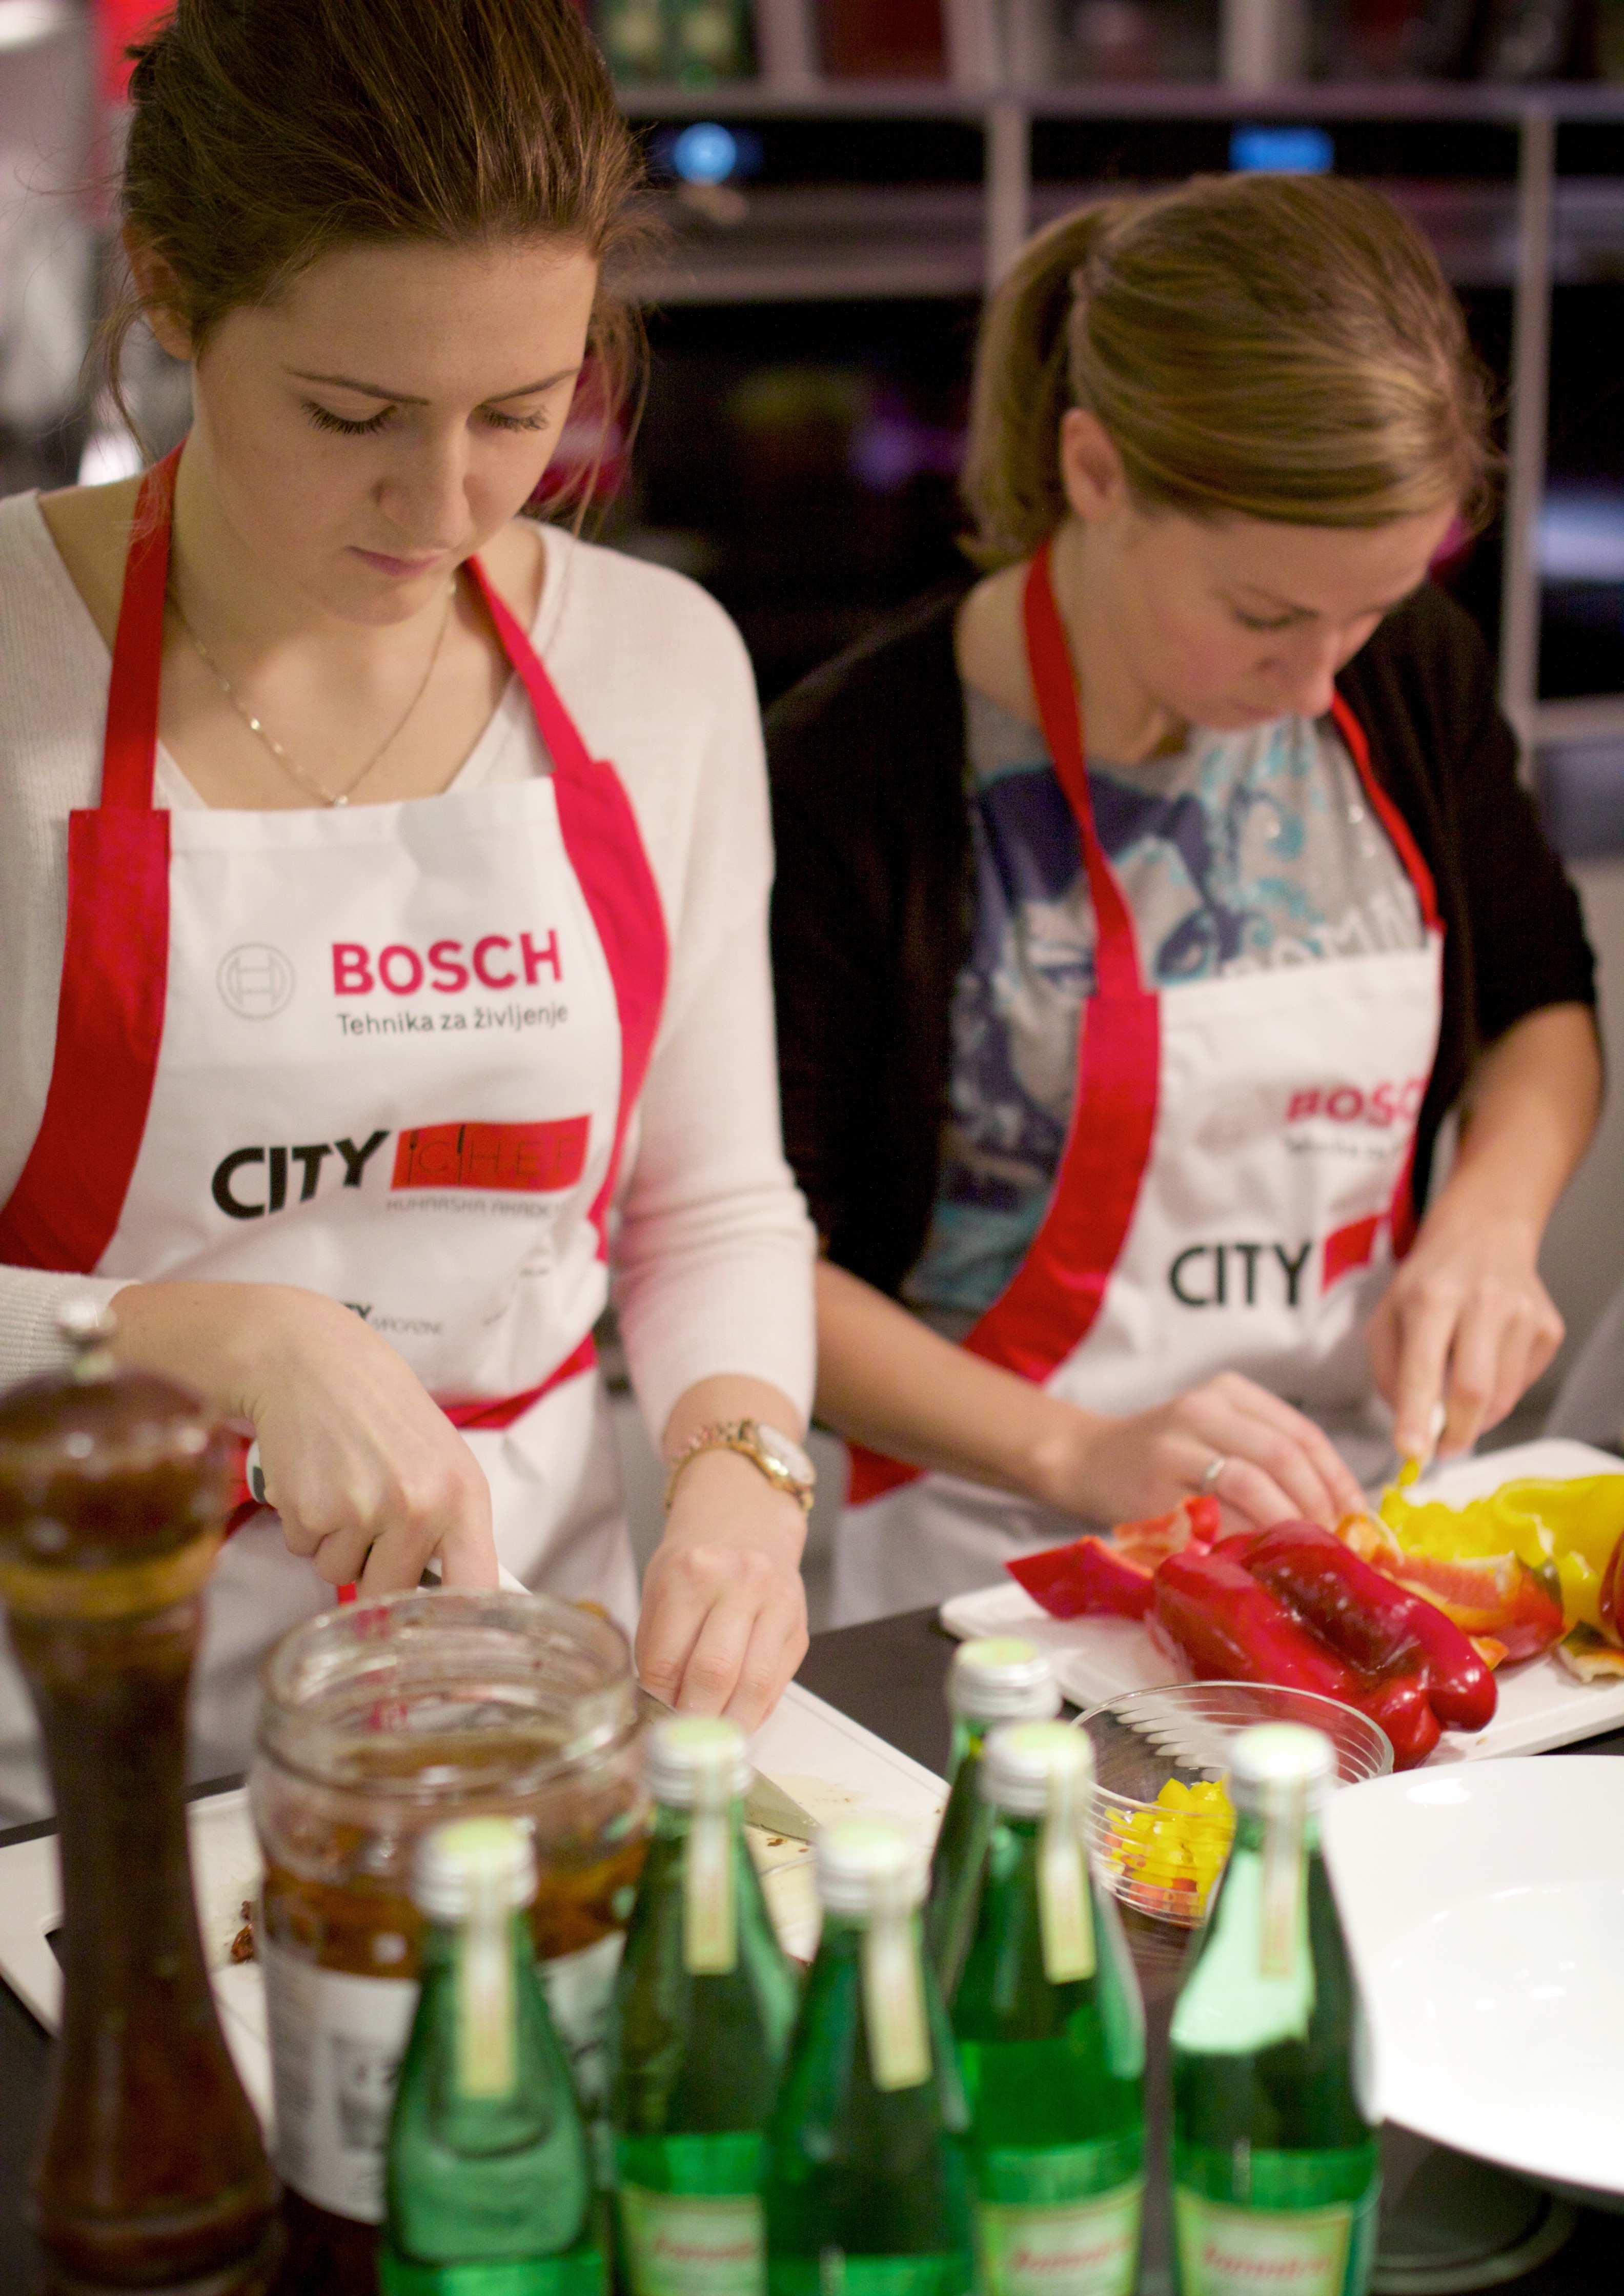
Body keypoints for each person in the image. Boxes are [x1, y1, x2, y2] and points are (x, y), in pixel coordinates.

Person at [0, 0, 816, 1817]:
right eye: (353, 414)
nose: (443, 502)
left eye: (521, 413)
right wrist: (217, 1336)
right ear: (169, 287)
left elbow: (711, 1202)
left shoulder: (660, 666)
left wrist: (742, 1482)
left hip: (519, 1701)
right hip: (73, 1753)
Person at [767, 175, 1601, 1625]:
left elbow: (1542, 1005)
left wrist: (1490, 1218)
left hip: (1362, 1510)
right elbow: (752, 1252)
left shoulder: (1414, 675)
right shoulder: (856, 771)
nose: (1322, 681)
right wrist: (1079, 1452)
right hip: (1003, 1554)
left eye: (1370, 608)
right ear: (1096, 473)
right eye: (1265, 616)